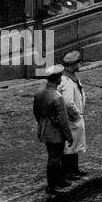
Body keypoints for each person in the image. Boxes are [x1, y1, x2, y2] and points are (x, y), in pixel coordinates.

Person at [33, 65, 73, 194]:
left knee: (55, 155)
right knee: (54, 158)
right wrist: (69, 135)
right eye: (60, 77)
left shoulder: (39, 92)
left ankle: (59, 180)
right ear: (57, 79)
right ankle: (52, 185)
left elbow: (36, 112)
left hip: (45, 128)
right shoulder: (57, 96)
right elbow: (63, 119)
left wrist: (42, 122)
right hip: (56, 132)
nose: (61, 79)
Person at [57, 52, 89, 179]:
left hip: (76, 117)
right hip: (72, 118)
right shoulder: (66, 81)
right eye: (77, 63)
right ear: (71, 66)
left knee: (75, 145)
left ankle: (74, 169)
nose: (79, 65)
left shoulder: (72, 77)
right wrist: (76, 115)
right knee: (69, 146)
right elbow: (68, 103)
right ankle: (68, 172)